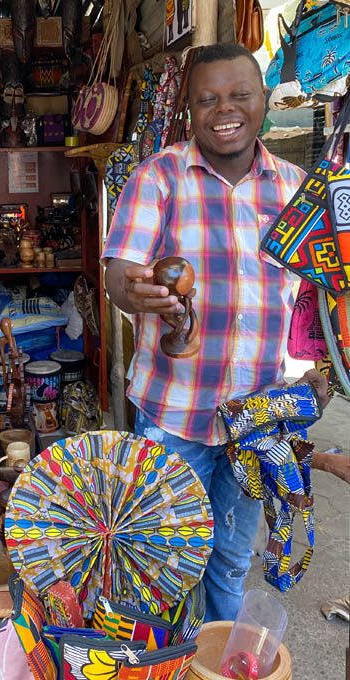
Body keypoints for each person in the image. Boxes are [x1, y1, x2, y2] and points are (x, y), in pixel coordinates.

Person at [101, 43, 330, 622]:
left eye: (239, 95)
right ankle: (162, 657)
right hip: (173, 411)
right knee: (159, 558)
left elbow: (323, 303)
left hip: (256, 417)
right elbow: (118, 276)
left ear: (264, 103)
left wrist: (323, 374)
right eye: (207, 99)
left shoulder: (297, 190)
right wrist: (138, 292)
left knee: (230, 559)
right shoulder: (158, 179)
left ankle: (215, 653)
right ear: (187, 108)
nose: (224, 110)